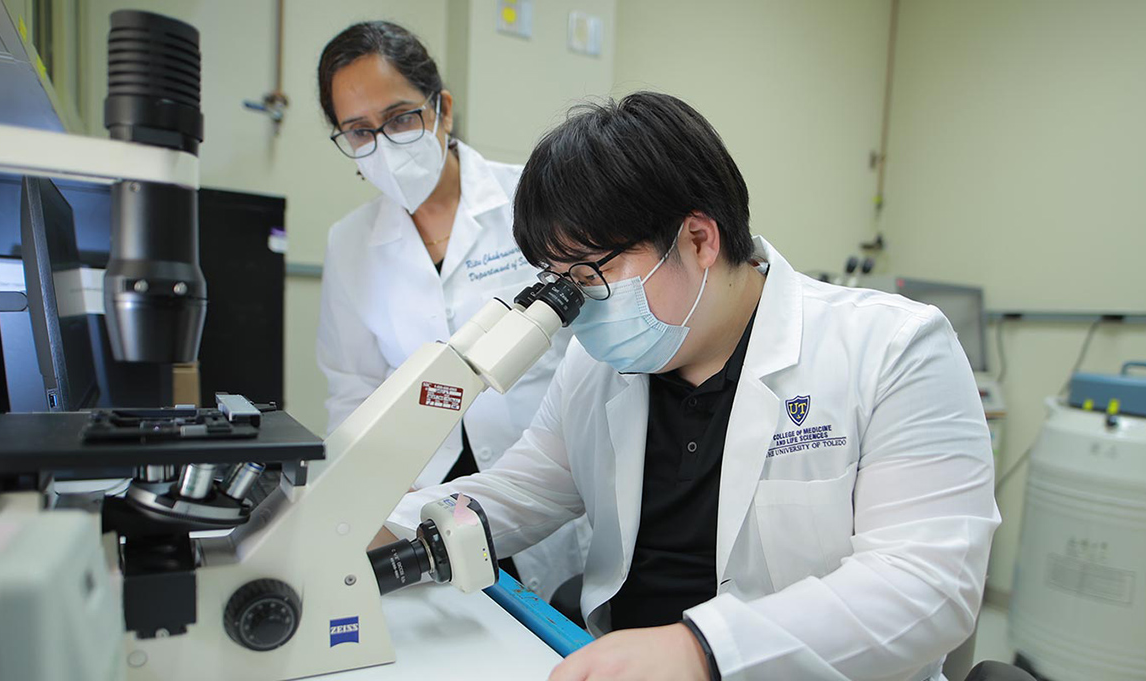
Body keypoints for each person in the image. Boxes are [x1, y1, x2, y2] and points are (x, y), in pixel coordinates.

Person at [379, 92, 1000, 680]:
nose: (577, 305)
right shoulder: (597, 364)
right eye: (557, 277)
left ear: (700, 239)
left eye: (594, 273)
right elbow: (524, 489)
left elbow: (928, 584)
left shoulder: (892, 347)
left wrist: (704, 649)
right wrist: (377, 529)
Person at [314, 21, 586, 601]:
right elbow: (353, 389)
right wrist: (367, 498)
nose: (384, 144)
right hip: (423, 490)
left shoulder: (534, 199)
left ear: (443, 110)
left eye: (401, 118)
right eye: (359, 132)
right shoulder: (349, 242)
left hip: (547, 478)